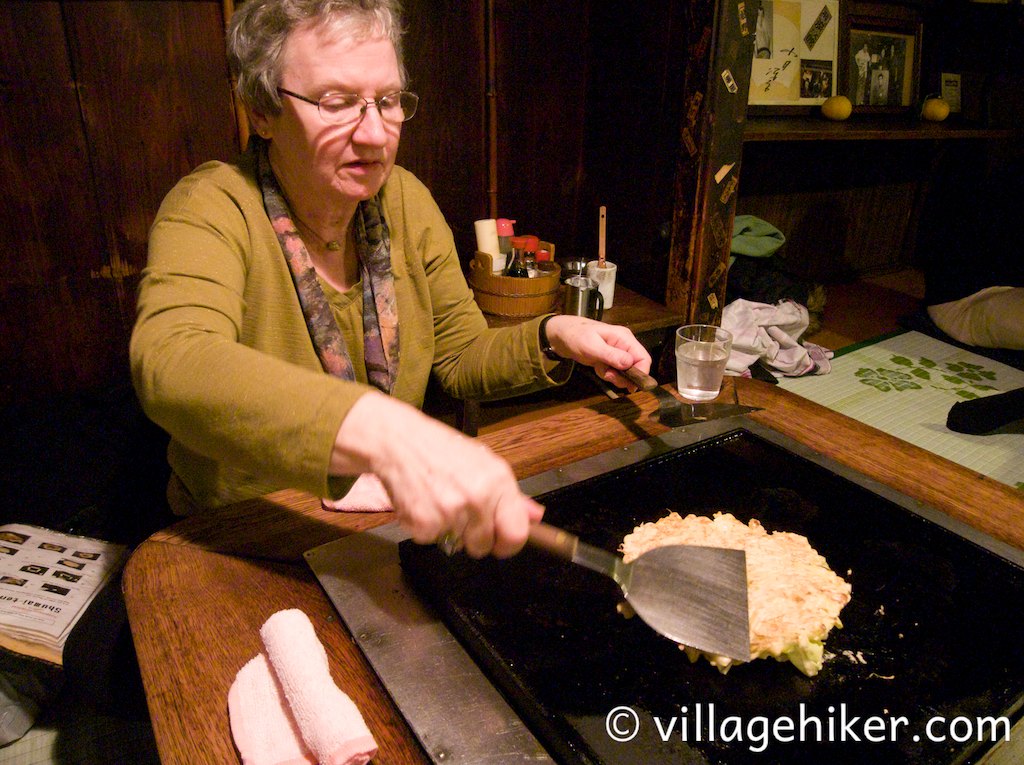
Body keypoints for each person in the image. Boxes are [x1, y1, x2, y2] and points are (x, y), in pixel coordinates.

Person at [129, 0, 651, 560]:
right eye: (337, 102)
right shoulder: (210, 206)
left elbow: (460, 355)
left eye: (389, 100)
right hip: (247, 535)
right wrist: (386, 434)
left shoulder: (403, 199)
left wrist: (555, 334)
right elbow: (171, 361)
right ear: (263, 112)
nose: (376, 135)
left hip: (384, 528)